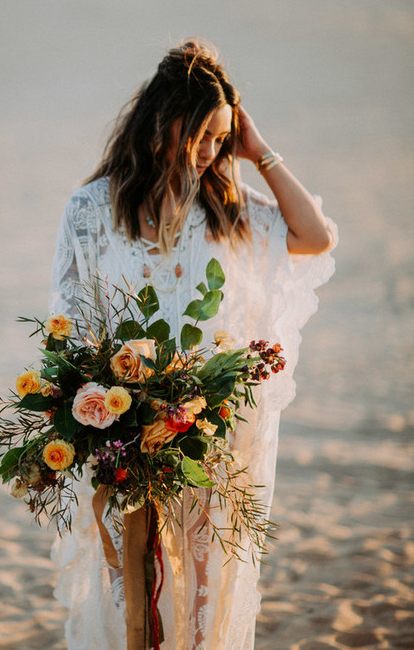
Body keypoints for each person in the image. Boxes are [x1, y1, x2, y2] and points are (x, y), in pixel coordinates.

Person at [49, 39, 336, 650]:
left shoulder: (227, 209)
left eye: (221, 138)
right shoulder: (91, 211)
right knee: (128, 594)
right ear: (164, 121)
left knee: (204, 594)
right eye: (202, 133)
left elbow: (313, 238)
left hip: (210, 436)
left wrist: (259, 153)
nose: (210, 152)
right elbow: (67, 326)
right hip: (120, 436)